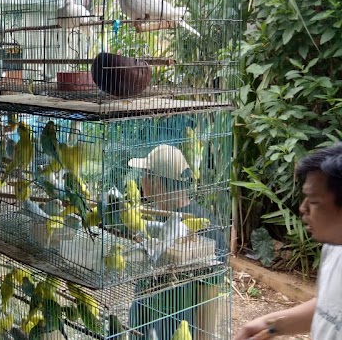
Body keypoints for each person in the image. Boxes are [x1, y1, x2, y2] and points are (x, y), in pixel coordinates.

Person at [234, 144, 342, 340]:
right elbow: (329, 306)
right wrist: (270, 325)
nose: (303, 208)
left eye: (314, 201)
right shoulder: (334, 248)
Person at [127, 144, 228, 340]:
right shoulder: (156, 217)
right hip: (144, 326)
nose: (141, 180)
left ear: (155, 182)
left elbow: (209, 300)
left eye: (145, 175)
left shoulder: (205, 229)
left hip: (175, 331)